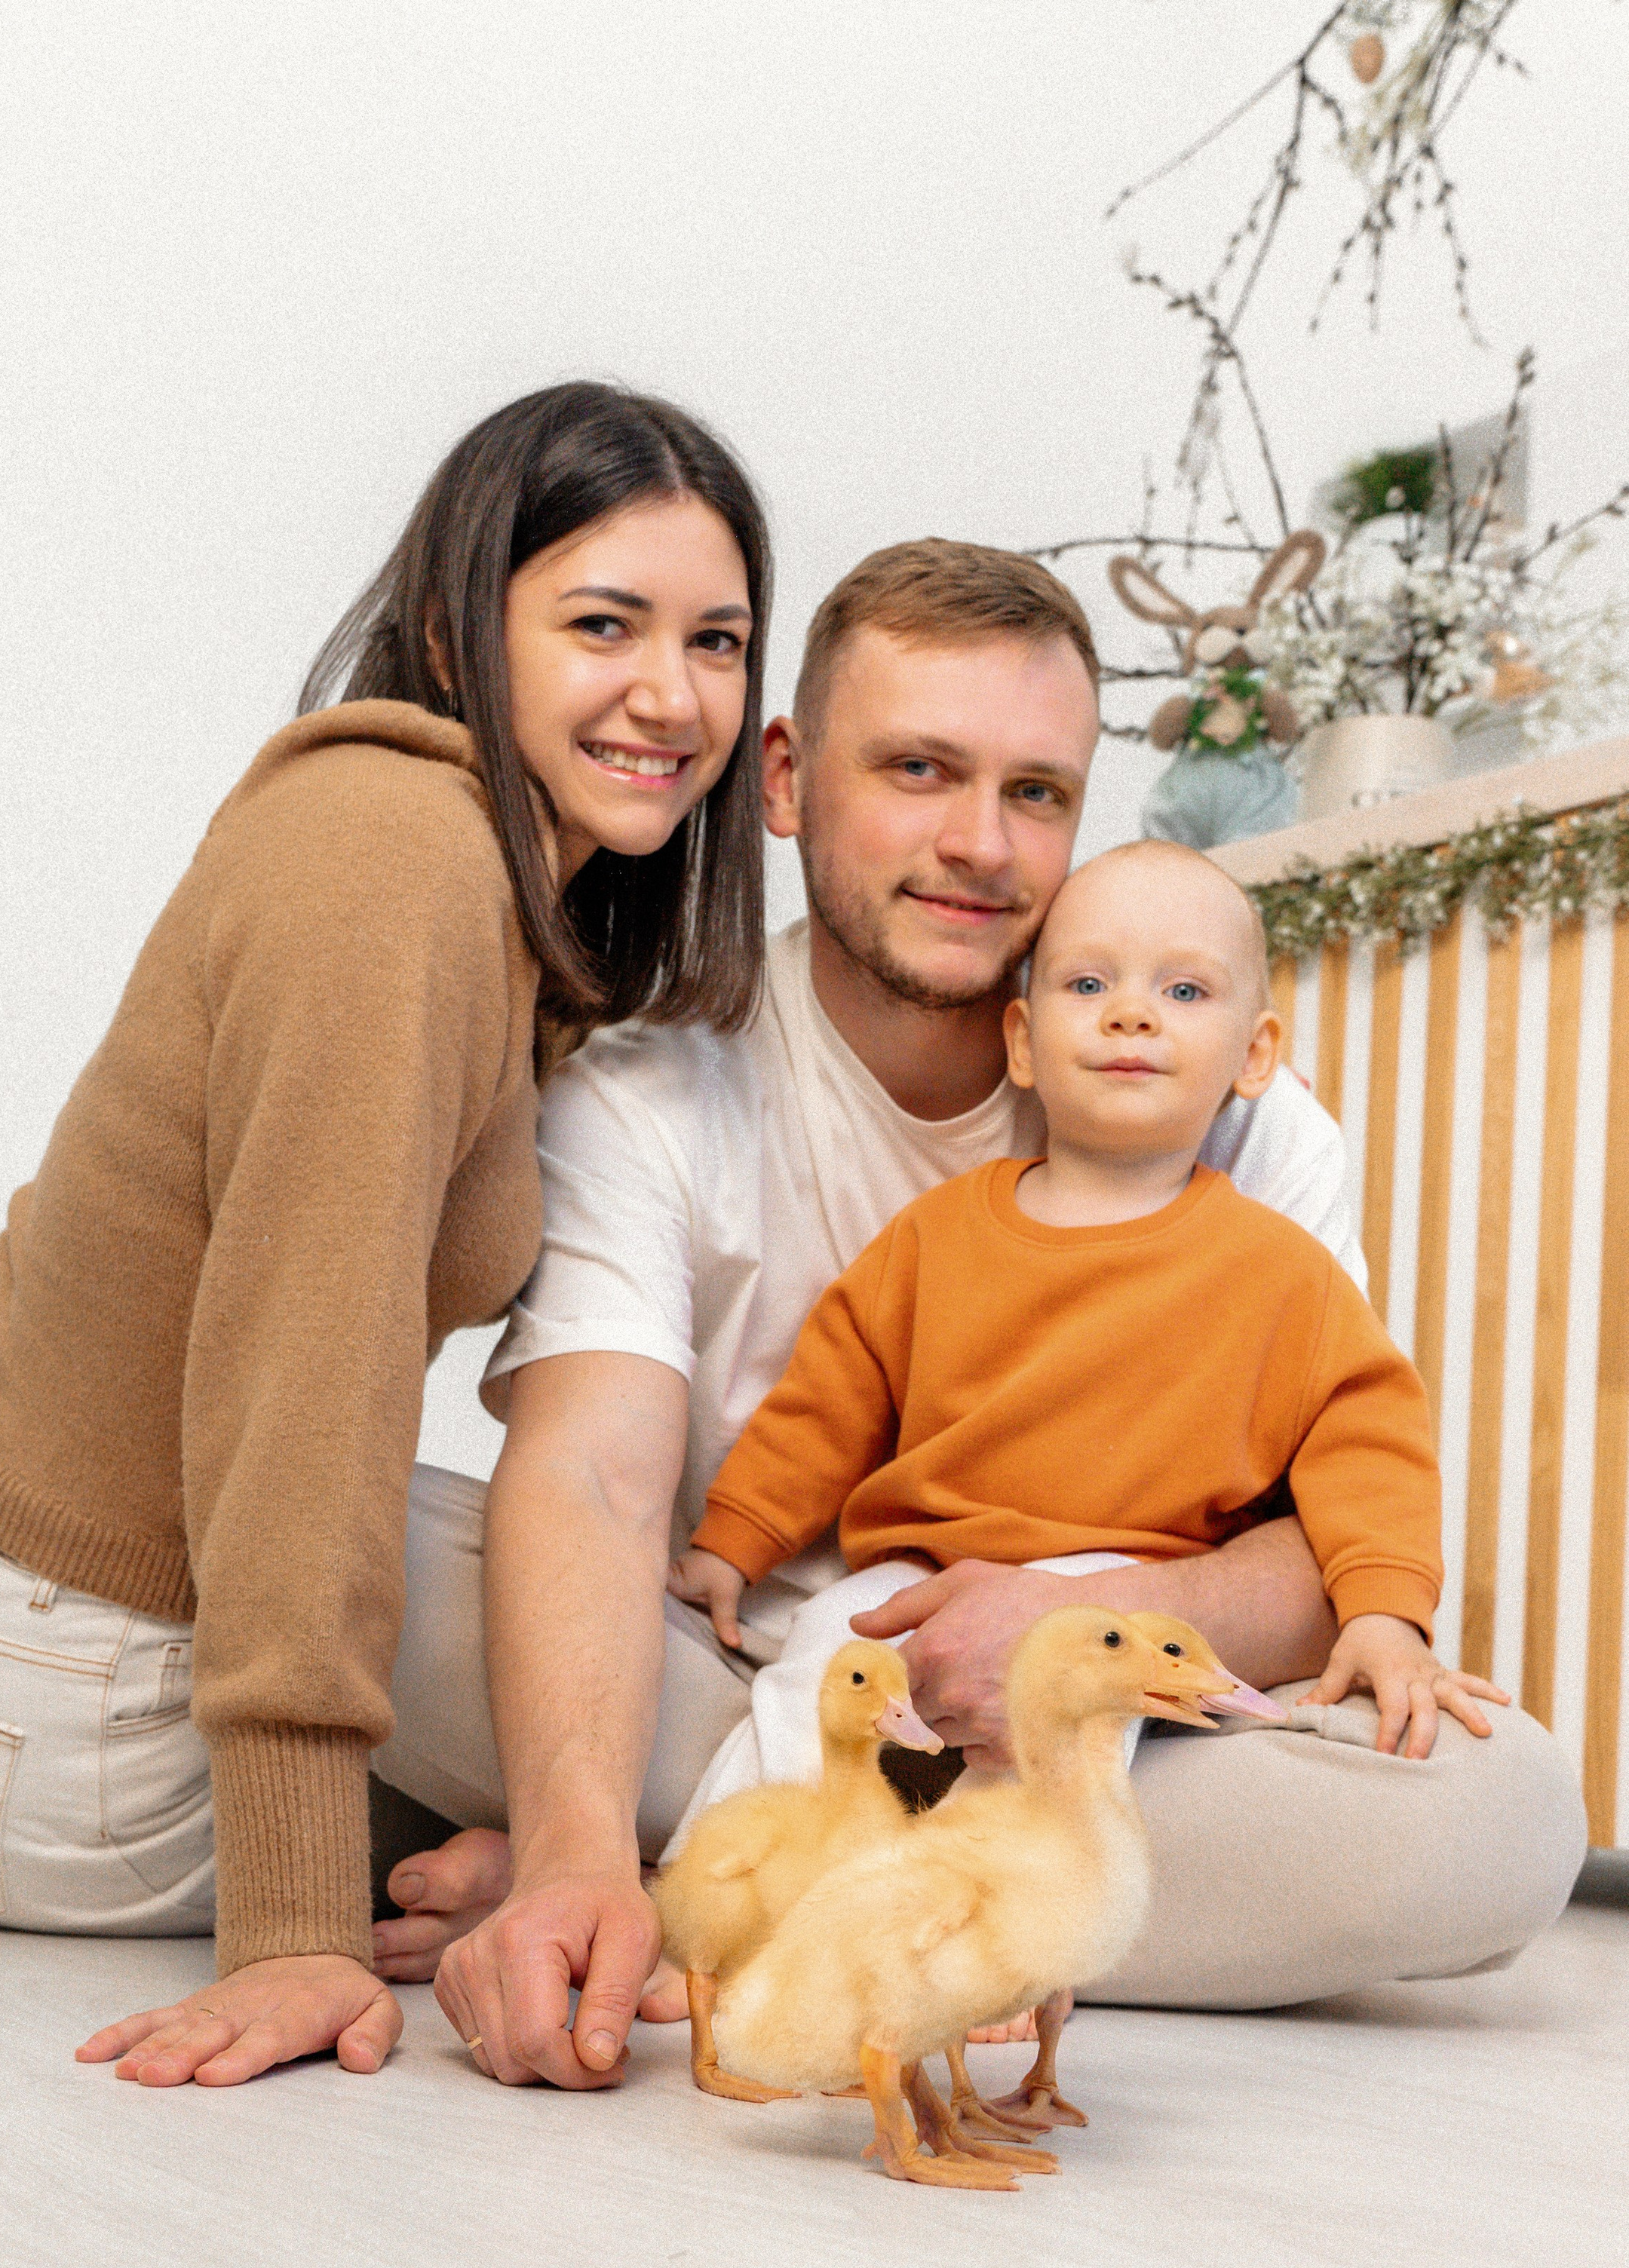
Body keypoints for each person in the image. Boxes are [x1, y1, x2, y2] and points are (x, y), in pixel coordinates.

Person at [377, 540, 1585, 2087]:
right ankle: (712, 1868)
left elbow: (1317, 1532)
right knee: (354, 1532)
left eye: (1034, 793)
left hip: (1108, 1707)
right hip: (746, 1663)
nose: (978, 846)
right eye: (919, 770)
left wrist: (1062, 1638)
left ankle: (735, 1880)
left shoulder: (1237, 1118)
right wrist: (578, 1816)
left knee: (1503, 1814)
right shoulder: (650, 1093)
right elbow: (599, 1484)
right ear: (788, 776)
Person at [0, 380, 772, 2092]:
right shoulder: (393, 864)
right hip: (57, 1713)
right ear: (454, 625)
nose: (671, 695)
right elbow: (307, 1368)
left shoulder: (466, 876)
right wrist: (293, 1924)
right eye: (603, 625)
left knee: (570, 1684)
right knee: (668, 1716)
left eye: (717, 642)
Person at [665, 837, 1496, 1837]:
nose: (1133, 1012)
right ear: (1022, 1040)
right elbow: (828, 1402)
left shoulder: (1283, 1274)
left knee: (1068, 1710)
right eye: (1089, 981)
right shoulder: (936, 1236)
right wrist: (733, 1541)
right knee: (823, 1667)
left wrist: (1385, 1615)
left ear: (1256, 1056)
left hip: (1129, 1582)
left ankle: (1001, 1944)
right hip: (918, 1574)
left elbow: (1370, 1445)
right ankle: (720, 1892)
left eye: (1186, 991)